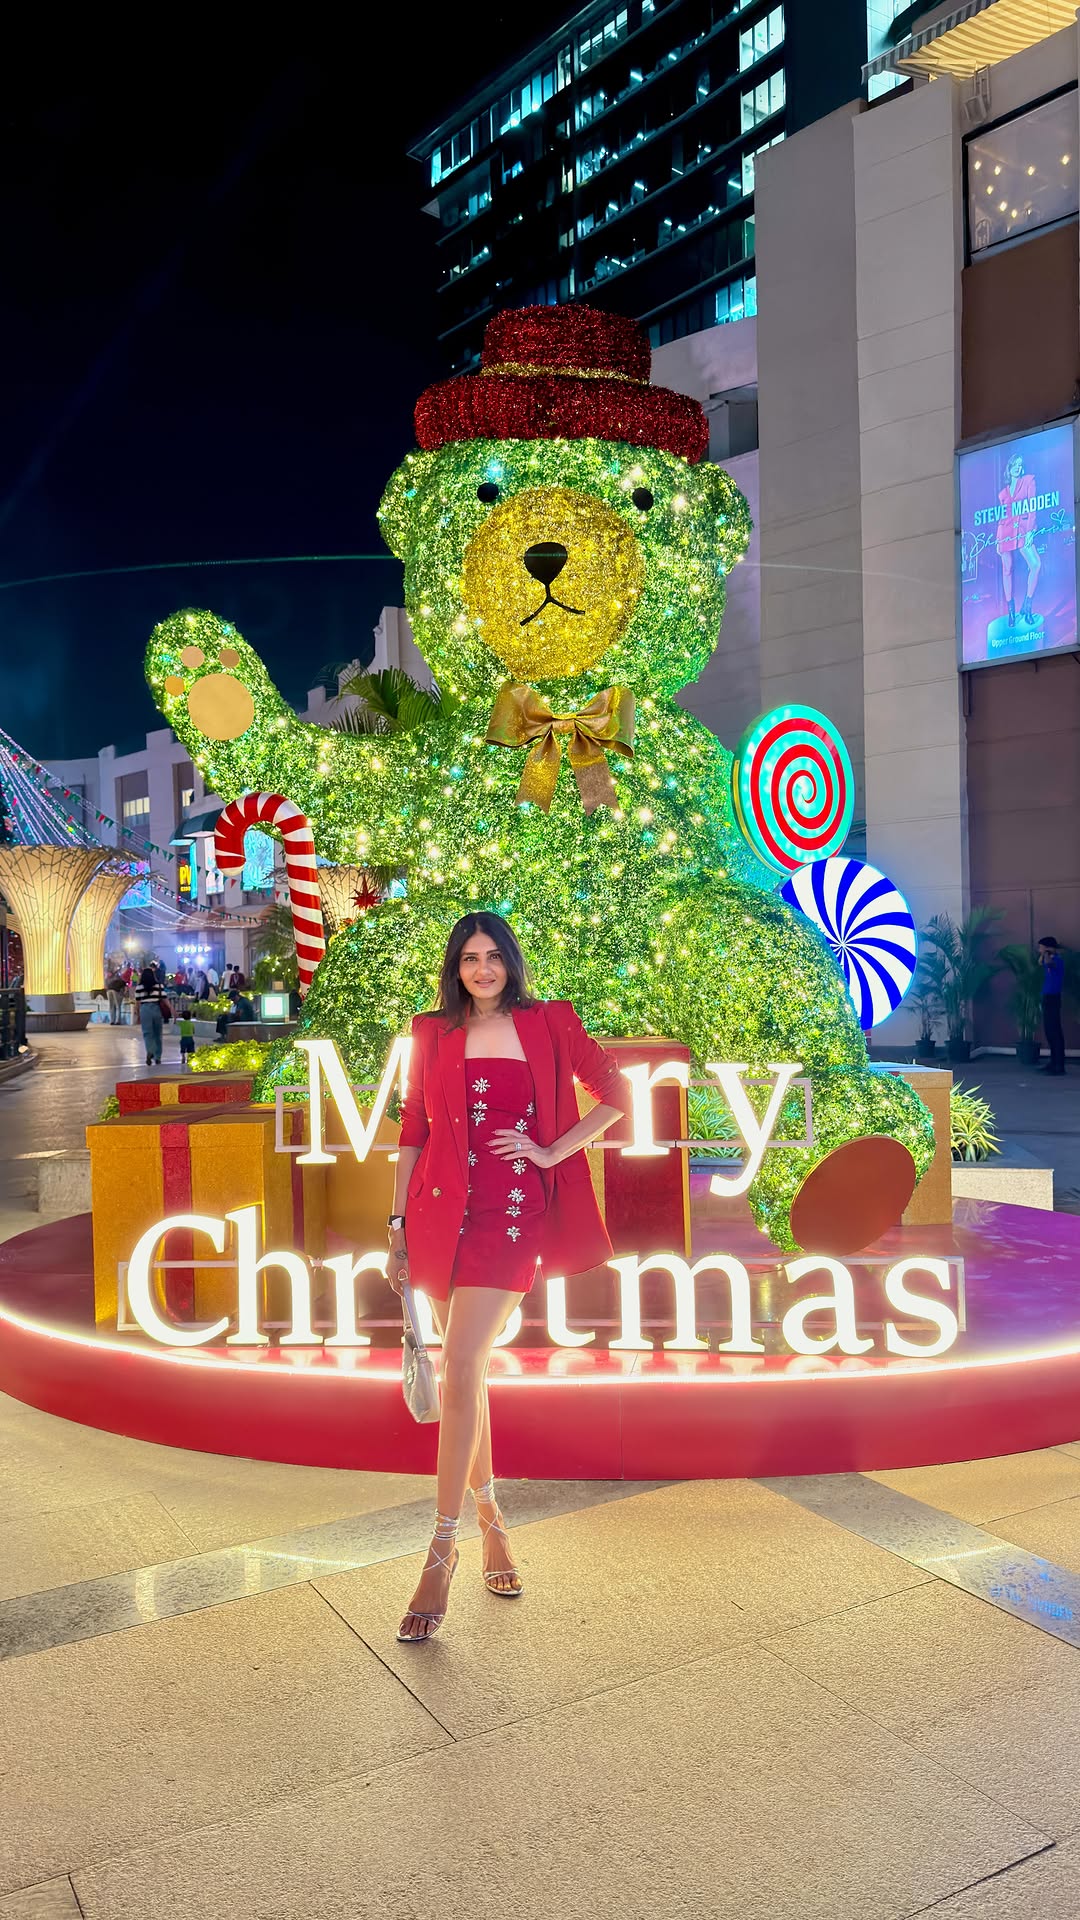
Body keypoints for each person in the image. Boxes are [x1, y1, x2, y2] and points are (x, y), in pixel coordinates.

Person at [388, 912, 631, 1644]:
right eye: (470, 958)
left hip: (514, 1213)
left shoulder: (550, 1022)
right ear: (455, 968)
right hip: (439, 1212)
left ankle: (441, 1548)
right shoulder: (432, 1032)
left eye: (494, 956)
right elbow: (413, 1130)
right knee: (469, 1375)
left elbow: (617, 1094)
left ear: (511, 962)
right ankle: (493, 1523)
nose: (483, 969)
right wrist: (397, 1225)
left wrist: (552, 1151)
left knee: (460, 1362)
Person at [997, 450, 1040, 630]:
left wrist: (1030, 531)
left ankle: (1027, 607)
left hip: (1023, 530)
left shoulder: (1029, 481)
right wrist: (997, 539)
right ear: (1009, 468)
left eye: (1020, 465)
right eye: (1014, 465)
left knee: (1036, 565)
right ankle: (1012, 613)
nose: (1017, 468)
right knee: (1007, 570)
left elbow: (1032, 507)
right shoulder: (1003, 493)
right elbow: (1002, 517)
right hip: (1005, 532)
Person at [1038, 936, 1066, 1074]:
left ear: (1047, 947)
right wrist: (1046, 953)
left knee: (1055, 1032)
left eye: (1041, 947)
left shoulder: (1057, 961)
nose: (1039, 950)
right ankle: (1053, 1062)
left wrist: (1047, 952)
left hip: (1053, 999)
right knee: (1049, 1032)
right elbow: (1040, 962)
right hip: (1047, 998)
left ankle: (1059, 1066)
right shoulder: (1048, 958)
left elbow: (1049, 963)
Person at [135, 965, 167, 1067]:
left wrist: (138, 1015)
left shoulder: (139, 987)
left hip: (145, 1010)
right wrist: (172, 1010)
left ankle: (150, 1050)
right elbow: (165, 999)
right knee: (158, 1034)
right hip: (156, 1009)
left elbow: (137, 1003)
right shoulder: (159, 986)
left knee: (147, 1033)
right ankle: (158, 1057)